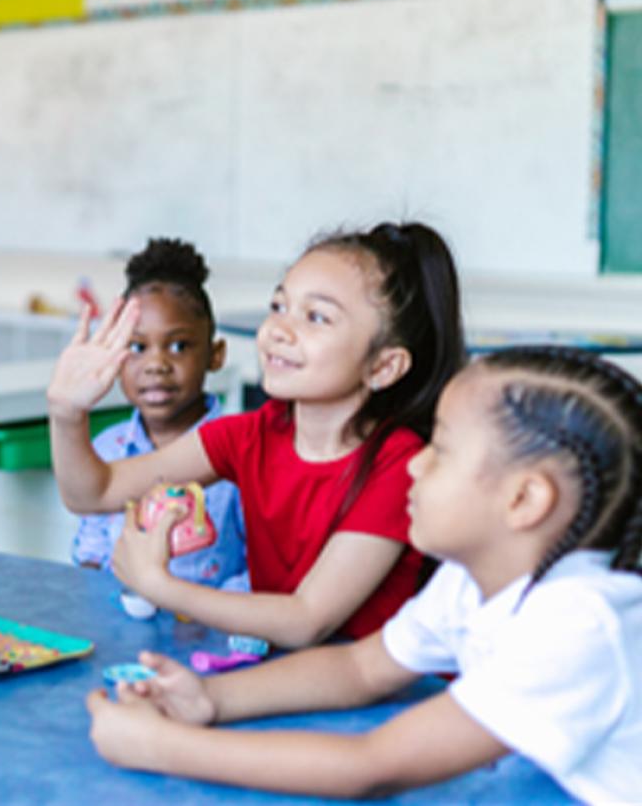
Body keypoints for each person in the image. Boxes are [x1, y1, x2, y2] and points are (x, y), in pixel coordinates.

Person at [86, 346, 642, 802]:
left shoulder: (580, 623)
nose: (417, 462)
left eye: (442, 450)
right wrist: (210, 698)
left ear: (524, 499)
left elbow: (371, 766)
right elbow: (361, 668)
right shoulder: (468, 582)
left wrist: (159, 747)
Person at [48, 223, 465, 647]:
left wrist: (161, 587)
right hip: (278, 673)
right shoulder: (253, 434)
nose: (279, 330)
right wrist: (67, 412)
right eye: (279, 305)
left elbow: (307, 618)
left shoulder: (400, 465)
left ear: (383, 367)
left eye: (316, 317)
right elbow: (94, 493)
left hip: (367, 701)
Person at [70, 238, 246, 595]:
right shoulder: (107, 449)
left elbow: (261, 572)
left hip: (209, 638)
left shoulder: (243, 454)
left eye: (179, 346)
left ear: (216, 355)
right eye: (137, 347)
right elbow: (89, 552)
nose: (156, 365)